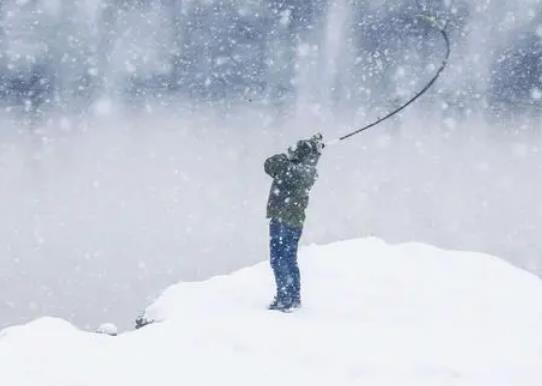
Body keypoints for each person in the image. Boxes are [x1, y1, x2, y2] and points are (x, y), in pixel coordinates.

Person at [264, 133, 324, 312]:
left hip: (283, 220)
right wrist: (312, 150)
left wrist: (292, 154)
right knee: (289, 259)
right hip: (293, 222)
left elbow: (271, 163)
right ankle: (293, 297)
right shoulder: (307, 170)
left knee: (279, 259)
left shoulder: (296, 171)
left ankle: (285, 298)